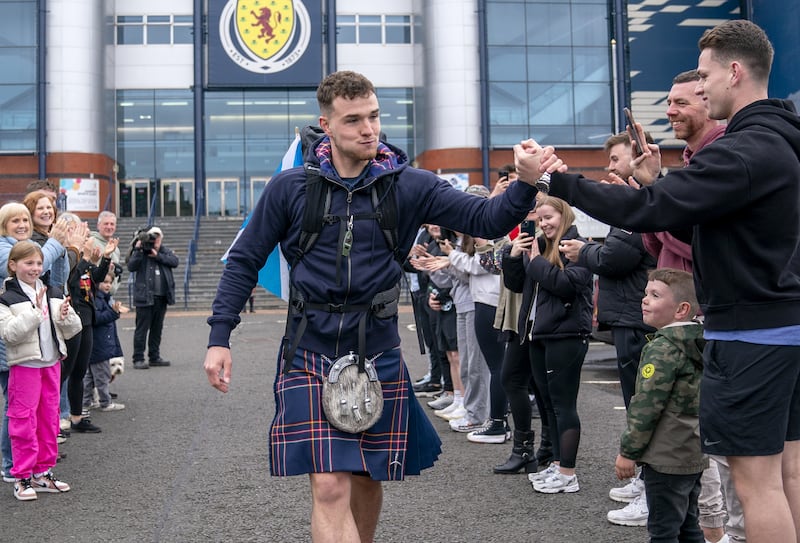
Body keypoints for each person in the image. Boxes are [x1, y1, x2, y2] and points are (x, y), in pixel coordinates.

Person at [203, 70, 550, 542]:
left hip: (378, 348)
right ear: (326, 125)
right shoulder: (290, 188)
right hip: (309, 347)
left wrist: (526, 184)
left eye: (373, 116)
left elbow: (483, 216)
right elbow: (244, 260)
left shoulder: (408, 185)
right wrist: (219, 337)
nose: (368, 129)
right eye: (353, 120)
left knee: (367, 474)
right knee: (328, 484)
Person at [518, 20, 799, 543]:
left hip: (750, 333)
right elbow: (690, 214)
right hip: (784, 326)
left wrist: (552, 178)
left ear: (734, 72)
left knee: (756, 483)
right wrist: (659, 184)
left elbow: (647, 208)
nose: (703, 87)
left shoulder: (742, 149)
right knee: (787, 475)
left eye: (707, 76)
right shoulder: (782, 143)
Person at [559, 132, 656, 524]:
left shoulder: (643, 209)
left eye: (617, 160)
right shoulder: (629, 210)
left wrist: (584, 251)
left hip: (638, 317)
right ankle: (647, 481)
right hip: (630, 316)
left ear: (640, 159)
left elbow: (617, 256)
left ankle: (653, 491)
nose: (610, 169)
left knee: (646, 407)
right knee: (638, 406)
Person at [503, 196, 593, 493]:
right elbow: (517, 285)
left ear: (564, 215)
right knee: (549, 405)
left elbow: (567, 284)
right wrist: (514, 257)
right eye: (540, 219)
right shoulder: (539, 246)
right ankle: (556, 464)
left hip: (566, 334)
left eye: (548, 217)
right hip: (538, 334)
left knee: (563, 405)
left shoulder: (576, 245)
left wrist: (536, 261)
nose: (543, 223)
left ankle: (568, 472)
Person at [615, 268, 706, 541]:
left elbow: (646, 407)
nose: (644, 300)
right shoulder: (699, 341)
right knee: (689, 525)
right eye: (645, 293)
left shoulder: (663, 348)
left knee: (663, 530)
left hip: (665, 457)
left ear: (681, 309)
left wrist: (628, 453)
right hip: (692, 450)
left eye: (654, 295)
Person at [0, 241, 82, 500]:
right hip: (25, 366)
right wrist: (35, 312)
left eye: (38, 263)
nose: (35, 268)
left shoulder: (53, 290)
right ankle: (22, 476)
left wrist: (66, 316)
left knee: (49, 419)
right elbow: (10, 334)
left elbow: (73, 328)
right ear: (13, 266)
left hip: (52, 363)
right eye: (28, 263)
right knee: (23, 420)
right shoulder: (6, 298)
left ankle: (43, 472)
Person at [62, 220, 116, 433]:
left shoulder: (83, 259)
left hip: (87, 320)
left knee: (80, 371)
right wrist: (84, 258)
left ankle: (77, 418)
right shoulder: (68, 257)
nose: (86, 239)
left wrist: (106, 257)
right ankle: (59, 418)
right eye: (82, 236)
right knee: (66, 372)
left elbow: (97, 278)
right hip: (72, 321)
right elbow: (70, 281)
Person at [127, 227, 178, 369]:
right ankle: (138, 358)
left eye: (158, 237)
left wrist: (158, 256)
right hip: (144, 297)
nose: (155, 240)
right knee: (142, 329)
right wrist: (137, 249)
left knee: (157, 328)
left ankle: (154, 356)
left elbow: (175, 261)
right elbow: (131, 266)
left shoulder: (164, 251)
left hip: (161, 297)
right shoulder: (141, 252)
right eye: (152, 237)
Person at [83, 270, 126, 413]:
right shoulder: (98, 298)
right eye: (105, 282)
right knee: (102, 376)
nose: (108, 285)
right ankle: (105, 402)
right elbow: (98, 319)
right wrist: (113, 313)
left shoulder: (103, 298)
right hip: (99, 343)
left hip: (97, 343)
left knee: (90, 376)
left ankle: (86, 401)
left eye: (110, 282)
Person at [91, 211, 122, 295]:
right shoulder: (92, 242)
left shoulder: (116, 249)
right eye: (106, 224)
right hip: (95, 293)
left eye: (112, 224)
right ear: (98, 226)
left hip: (109, 295)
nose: (109, 227)